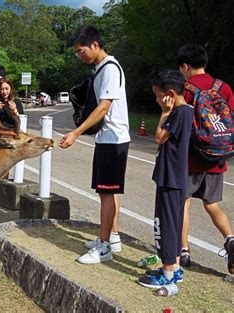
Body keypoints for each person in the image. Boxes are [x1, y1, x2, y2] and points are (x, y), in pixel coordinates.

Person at [59, 25, 130, 264]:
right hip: (107, 138)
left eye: (81, 51)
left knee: (107, 192)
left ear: (95, 45)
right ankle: (112, 237)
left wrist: (75, 133)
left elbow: (104, 107)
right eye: (76, 52)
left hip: (114, 139)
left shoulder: (110, 68)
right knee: (107, 191)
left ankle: (104, 246)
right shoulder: (100, 68)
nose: (79, 56)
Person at [176, 44, 234, 273]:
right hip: (217, 156)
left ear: (185, 66)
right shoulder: (224, 87)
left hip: (191, 157)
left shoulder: (185, 89)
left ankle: (184, 251)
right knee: (212, 204)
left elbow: (180, 122)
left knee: (183, 202)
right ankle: (230, 239)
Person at [138, 70, 193, 288]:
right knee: (173, 223)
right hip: (176, 176)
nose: (157, 99)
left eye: (158, 95)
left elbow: (159, 137)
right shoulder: (187, 111)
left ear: (170, 93)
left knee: (165, 225)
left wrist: (165, 111)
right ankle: (175, 268)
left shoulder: (178, 112)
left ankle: (168, 273)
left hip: (170, 177)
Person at [0, 76, 24, 150]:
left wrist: (15, 110)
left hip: (10, 139)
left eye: (7, 89)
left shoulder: (16, 103)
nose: (4, 92)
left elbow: (20, 121)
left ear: (11, 89)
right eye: (2, 89)